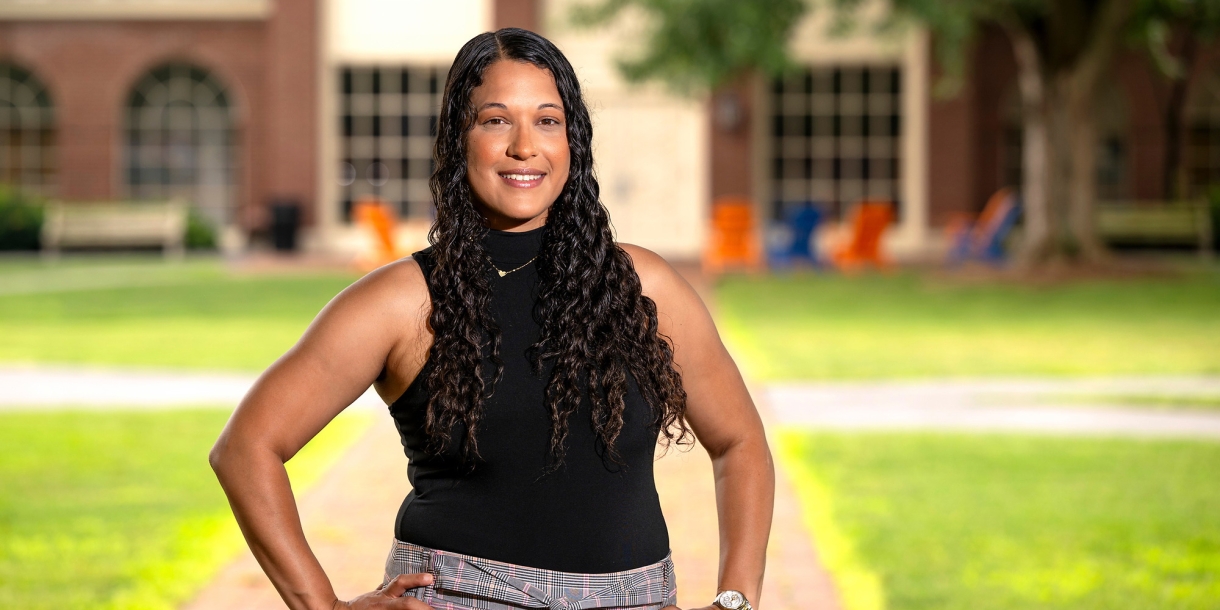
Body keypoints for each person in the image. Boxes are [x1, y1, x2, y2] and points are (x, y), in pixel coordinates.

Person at [209, 28, 774, 610]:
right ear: (460, 138)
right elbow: (247, 448)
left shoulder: (642, 286)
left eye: (548, 120)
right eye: (496, 121)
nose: (524, 146)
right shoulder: (401, 302)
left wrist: (738, 599)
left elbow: (740, 442)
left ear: (572, 140)